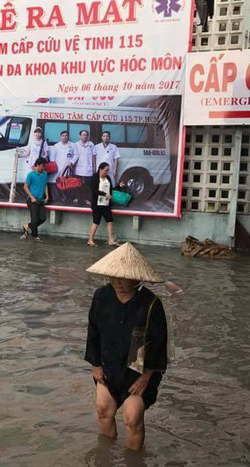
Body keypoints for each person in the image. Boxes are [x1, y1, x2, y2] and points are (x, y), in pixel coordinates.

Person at [84, 243, 167, 451]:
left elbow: (159, 345)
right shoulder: (101, 297)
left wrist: (146, 376)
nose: (117, 281)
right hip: (108, 365)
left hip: (138, 372)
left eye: (122, 277)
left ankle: (134, 460)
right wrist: (96, 365)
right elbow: (93, 333)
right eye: (113, 276)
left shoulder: (151, 304)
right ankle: (105, 456)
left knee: (132, 419)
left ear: (136, 277)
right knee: (103, 410)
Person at [88, 163, 124, 247]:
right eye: (105, 170)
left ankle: (111, 240)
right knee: (96, 222)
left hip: (106, 204)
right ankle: (90, 240)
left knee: (110, 221)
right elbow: (94, 190)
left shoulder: (108, 178)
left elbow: (111, 190)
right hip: (97, 204)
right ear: (100, 169)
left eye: (108, 170)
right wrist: (104, 194)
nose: (107, 172)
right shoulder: (95, 178)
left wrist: (119, 186)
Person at [21, 157, 49, 242]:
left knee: (43, 218)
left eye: (44, 166)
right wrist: (32, 197)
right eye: (42, 166)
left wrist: (47, 196)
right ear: (37, 165)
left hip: (40, 200)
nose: (43, 168)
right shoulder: (31, 175)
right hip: (32, 200)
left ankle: (27, 226)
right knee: (34, 219)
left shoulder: (45, 174)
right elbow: (25, 187)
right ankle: (35, 236)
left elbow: (45, 185)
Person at [48, 130, 78, 204]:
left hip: (68, 167)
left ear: (68, 137)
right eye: (63, 136)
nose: (64, 137)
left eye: (66, 135)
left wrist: (71, 162)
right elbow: (53, 157)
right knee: (57, 182)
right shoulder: (56, 145)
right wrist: (53, 165)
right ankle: (58, 197)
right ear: (60, 137)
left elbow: (76, 155)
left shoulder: (73, 145)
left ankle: (66, 198)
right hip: (58, 167)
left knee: (67, 183)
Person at [73, 129, 96, 205]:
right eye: (83, 135)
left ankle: (87, 199)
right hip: (78, 168)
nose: (85, 136)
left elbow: (93, 157)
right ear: (80, 136)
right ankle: (77, 198)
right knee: (77, 184)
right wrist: (71, 164)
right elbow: (75, 156)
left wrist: (94, 168)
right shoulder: (76, 144)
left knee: (88, 185)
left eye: (86, 135)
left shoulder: (91, 144)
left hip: (89, 168)